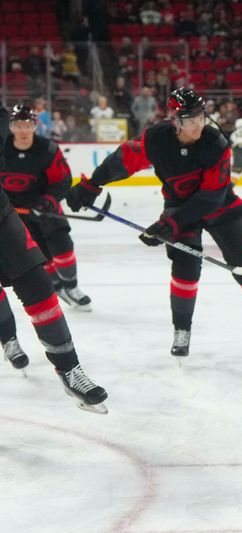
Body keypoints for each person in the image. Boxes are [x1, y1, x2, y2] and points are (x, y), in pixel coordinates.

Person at [66, 87, 242, 358]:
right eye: (190, 119)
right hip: (177, 205)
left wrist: (171, 225)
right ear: (175, 120)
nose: (198, 124)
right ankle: (182, 328)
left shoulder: (217, 143)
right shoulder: (156, 139)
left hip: (219, 205)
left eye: (201, 117)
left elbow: (211, 197)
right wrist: (93, 184)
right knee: (185, 267)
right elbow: (124, 159)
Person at [0, 102, 107, 414]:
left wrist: (47, 201)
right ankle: (9, 341)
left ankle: (68, 369)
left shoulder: (42, 147)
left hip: (3, 216)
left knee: (39, 286)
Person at [0, 105, 92, 311]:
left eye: (28, 125)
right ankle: (57, 286)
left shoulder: (47, 149)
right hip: (13, 213)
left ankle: (72, 286)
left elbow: (63, 180)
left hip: (45, 207)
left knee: (63, 245)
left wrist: (48, 202)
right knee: (38, 254)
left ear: (35, 126)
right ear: (11, 127)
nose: (23, 130)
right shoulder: (2, 148)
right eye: (18, 125)